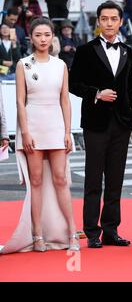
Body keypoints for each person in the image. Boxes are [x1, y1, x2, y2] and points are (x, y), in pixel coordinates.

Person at [1, 17, 79, 254]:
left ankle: (72, 232)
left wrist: (68, 131)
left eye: (47, 35)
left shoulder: (60, 65)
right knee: (35, 183)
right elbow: (20, 102)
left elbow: (65, 100)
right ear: (31, 38)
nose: (43, 39)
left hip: (56, 127)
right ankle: (37, 235)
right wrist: (24, 132)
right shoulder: (23, 64)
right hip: (33, 127)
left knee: (60, 180)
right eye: (38, 35)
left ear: (52, 36)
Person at [69, 1, 132, 249]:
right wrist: (97, 93)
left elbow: (131, 87)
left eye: (113, 19)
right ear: (98, 21)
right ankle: (92, 231)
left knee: (116, 180)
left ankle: (111, 230)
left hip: (122, 123)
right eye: (104, 18)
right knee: (93, 180)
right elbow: (73, 84)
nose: (109, 23)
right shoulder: (85, 50)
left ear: (120, 21)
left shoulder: (130, 51)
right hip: (95, 123)